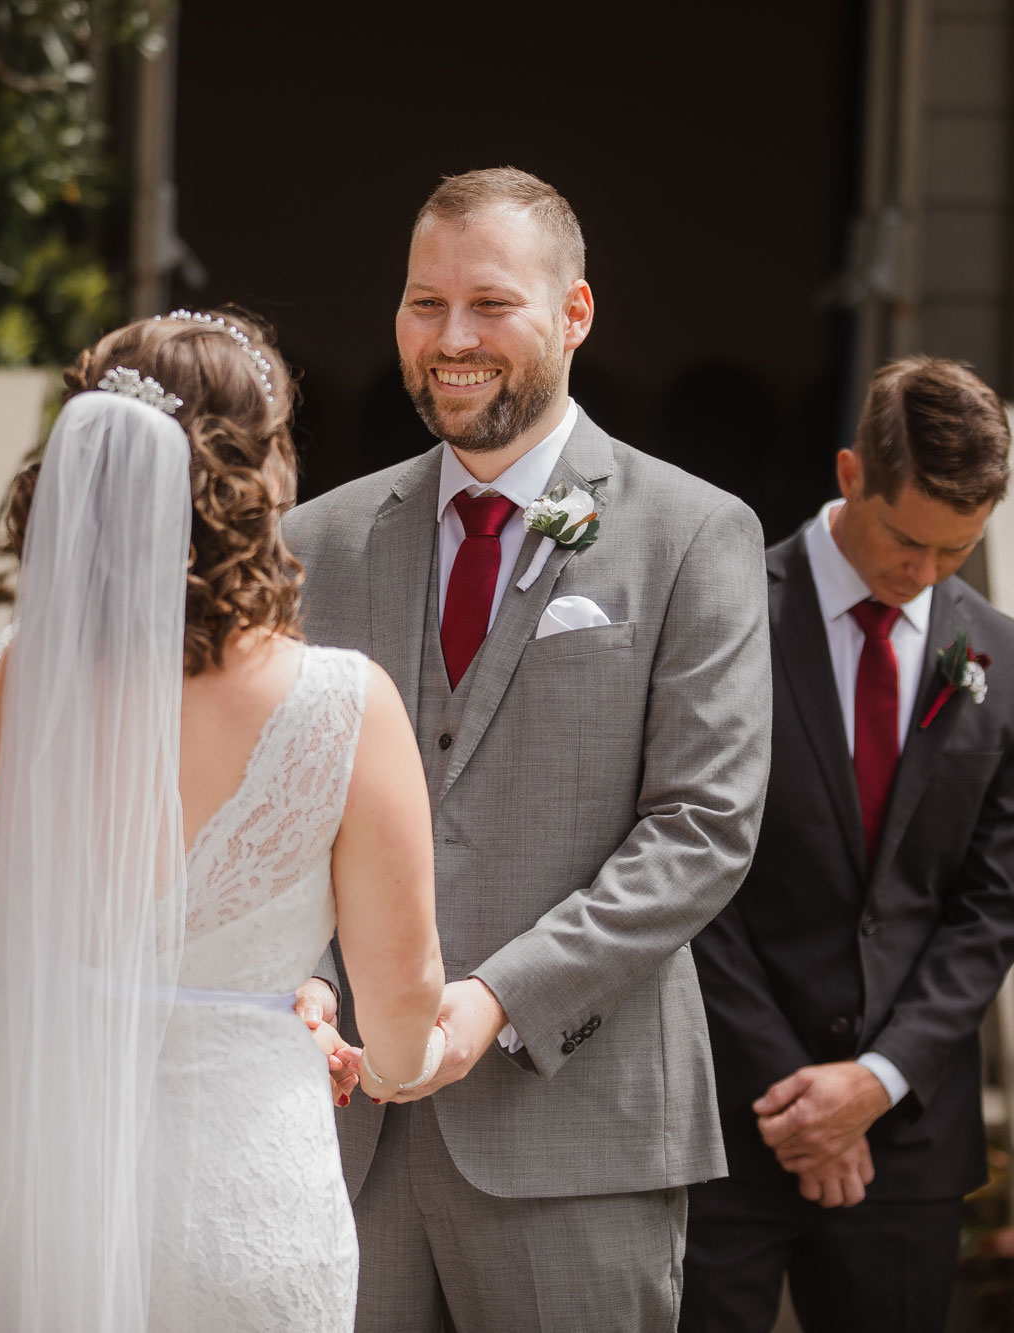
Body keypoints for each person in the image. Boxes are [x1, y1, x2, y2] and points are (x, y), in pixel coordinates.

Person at [282, 167, 772, 1332]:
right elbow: (279, 805)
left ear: (574, 313)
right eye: (423, 304)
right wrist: (301, 975)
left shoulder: (693, 532)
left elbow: (702, 828)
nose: (451, 340)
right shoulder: (316, 540)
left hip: (578, 1130)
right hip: (342, 1126)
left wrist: (495, 1000)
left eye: (490, 305)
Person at [0, 309, 446, 1332]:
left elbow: (11, 918)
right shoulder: (341, 702)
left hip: (26, 1204)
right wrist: (367, 1040)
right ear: (258, 477)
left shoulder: (11, 678)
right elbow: (398, 1020)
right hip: (235, 1208)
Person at [683, 357, 1014, 1332]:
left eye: (955, 549)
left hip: (908, 1134)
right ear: (849, 473)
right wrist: (797, 1100)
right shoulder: (721, 614)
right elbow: (686, 869)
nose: (921, 573)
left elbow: (991, 905)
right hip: (726, 1115)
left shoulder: (1008, 665)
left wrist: (874, 1082)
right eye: (904, 539)